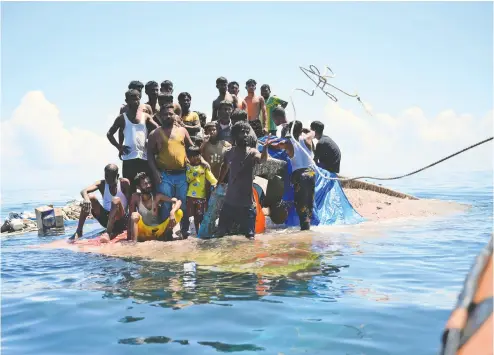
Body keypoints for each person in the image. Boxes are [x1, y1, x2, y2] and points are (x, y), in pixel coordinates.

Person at [147, 104, 208, 238]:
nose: (168, 116)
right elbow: (149, 155)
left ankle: (185, 231)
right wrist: (156, 173)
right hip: (165, 175)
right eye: (164, 114)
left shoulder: (182, 131)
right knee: (166, 206)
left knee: (184, 205)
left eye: (170, 113)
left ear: (175, 115)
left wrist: (202, 161)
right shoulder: (155, 134)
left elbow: (193, 149)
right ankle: (166, 233)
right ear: (159, 117)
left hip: (182, 174)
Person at [216, 121, 270, 240]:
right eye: (242, 132)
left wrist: (265, 149)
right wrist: (218, 183)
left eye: (247, 132)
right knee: (220, 236)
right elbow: (224, 168)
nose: (245, 134)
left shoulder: (252, 152)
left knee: (250, 238)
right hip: (229, 203)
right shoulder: (229, 153)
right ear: (235, 135)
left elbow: (262, 160)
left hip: (246, 204)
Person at [269, 120, 316, 231]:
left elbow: (275, 146)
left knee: (301, 204)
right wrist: (304, 130)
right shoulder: (307, 139)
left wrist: (268, 143)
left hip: (300, 175)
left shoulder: (288, 143)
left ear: (290, 130)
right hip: (311, 173)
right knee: (309, 202)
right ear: (300, 130)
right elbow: (312, 132)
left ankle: (304, 230)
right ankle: (308, 228)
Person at [107, 89, 159, 182]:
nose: (135, 101)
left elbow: (158, 130)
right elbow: (109, 134)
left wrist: (151, 143)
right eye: (132, 99)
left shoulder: (145, 116)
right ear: (126, 101)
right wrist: (119, 147)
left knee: (145, 186)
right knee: (130, 186)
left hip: (144, 157)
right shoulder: (122, 118)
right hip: (129, 158)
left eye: (137, 99)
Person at [69, 164, 130, 242]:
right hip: (106, 220)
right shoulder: (102, 184)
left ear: (117, 176)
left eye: (112, 177)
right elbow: (84, 191)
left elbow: (130, 201)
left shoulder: (124, 183)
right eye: (107, 176)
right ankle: (79, 231)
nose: (109, 179)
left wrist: (130, 225)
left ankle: (108, 233)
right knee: (90, 197)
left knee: (116, 200)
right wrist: (87, 199)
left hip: (120, 220)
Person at [127, 172, 183, 242]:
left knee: (179, 213)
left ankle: (165, 236)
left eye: (149, 183)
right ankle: (134, 243)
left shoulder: (157, 197)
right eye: (145, 184)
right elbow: (130, 217)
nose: (149, 185)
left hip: (157, 229)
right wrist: (128, 236)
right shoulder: (135, 197)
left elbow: (177, 201)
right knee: (134, 215)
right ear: (138, 187)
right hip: (143, 230)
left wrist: (172, 212)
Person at [186, 146, 218, 233]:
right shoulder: (188, 167)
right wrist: (196, 173)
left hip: (201, 196)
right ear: (189, 158)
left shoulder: (204, 167)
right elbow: (188, 179)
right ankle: (194, 231)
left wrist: (215, 183)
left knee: (200, 216)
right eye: (193, 156)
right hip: (190, 196)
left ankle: (200, 232)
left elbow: (211, 177)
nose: (196, 158)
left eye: (198, 155)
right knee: (191, 216)